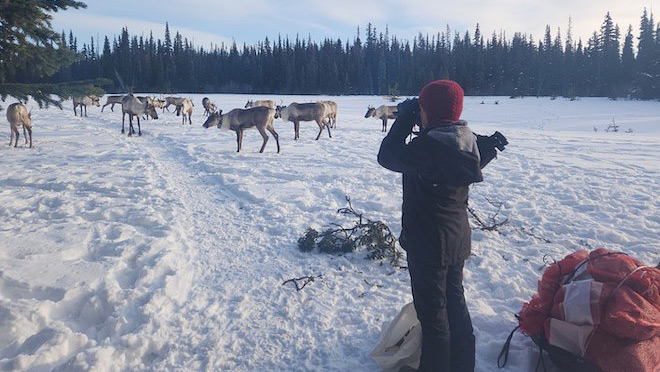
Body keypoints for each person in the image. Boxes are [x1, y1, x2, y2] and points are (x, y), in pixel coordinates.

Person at [377, 80, 488, 371]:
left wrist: (404, 117)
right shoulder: (465, 141)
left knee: (435, 320)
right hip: (456, 240)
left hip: (428, 245)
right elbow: (474, 157)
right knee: (456, 309)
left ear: (429, 111)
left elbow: (387, 155)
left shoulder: (427, 148)